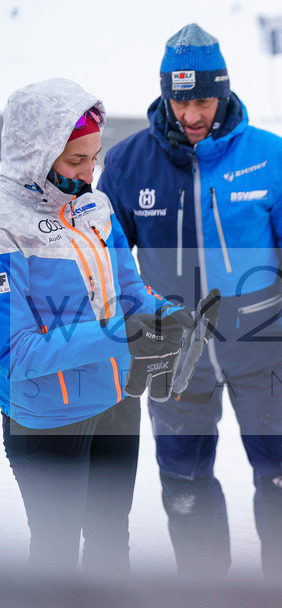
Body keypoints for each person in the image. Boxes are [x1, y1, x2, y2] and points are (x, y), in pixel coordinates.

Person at [98, 24, 282, 584]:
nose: (191, 115)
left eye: (202, 99)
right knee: (184, 484)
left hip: (263, 349)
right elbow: (106, 260)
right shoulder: (128, 165)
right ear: (164, 94)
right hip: (174, 359)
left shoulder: (272, 158)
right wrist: (129, 331)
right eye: (180, 100)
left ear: (223, 91)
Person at [0, 78, 188, 576]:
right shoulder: (5, 225)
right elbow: (16, 354)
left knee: (111, 543)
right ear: (35, 155)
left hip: (116, 398)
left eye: (94, 158)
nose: (89, 174)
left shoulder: (94, 208)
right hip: (48, 419)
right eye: (75, 161)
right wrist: (120, 332)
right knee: (57, 558)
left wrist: (167, 315)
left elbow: (130, 291)